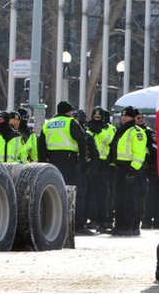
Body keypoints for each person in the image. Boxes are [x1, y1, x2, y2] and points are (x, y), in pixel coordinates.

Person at [40, 100, 93, 235]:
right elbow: (82, 140)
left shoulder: (48, 124)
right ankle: (77, 225)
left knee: (55, 193)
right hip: (70, 163)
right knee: (76, 193)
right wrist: (82, 161)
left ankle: (57, 223)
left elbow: (41, 145)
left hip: (52, 162)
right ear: (68, 111)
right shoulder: (71, 122)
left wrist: (43, 163)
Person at [109, 106, 148, 236]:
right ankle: (120, 225)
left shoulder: (136, 131)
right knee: (119, 199)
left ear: (132, 117)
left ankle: (130, 226)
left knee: (130, 199)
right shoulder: (121, 131)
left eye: (126, 116)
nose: (123, 118)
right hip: (120, 168)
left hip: (130, 169)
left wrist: (132, 169)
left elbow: (139, 153)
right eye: (122, 115)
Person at [86, 107, 116, 232]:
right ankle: (93, 219)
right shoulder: (88, 127)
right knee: (90, 192)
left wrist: (99, 131)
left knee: (103, 193)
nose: (96, 119)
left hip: (104, 163)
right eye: (95, 117)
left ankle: (104, 220)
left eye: (99, 117)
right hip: (91, 162)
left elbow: (111, 140)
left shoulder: (109, 127)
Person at [140, 113, 159, 229]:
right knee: (149, 197)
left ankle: (158, 220)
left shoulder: (152, 135)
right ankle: (147, 220)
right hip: (150, 171)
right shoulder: (150, 137)